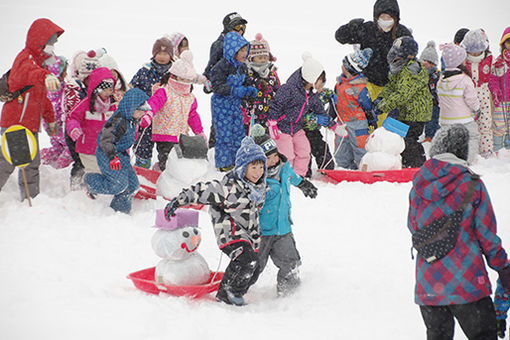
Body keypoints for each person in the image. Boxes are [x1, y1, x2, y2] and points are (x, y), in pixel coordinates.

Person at [408, 123, 510, 340]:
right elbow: (487, 236)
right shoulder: (471, 184)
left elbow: (413, 226)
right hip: (468, 284)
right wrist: (503, 268)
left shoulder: (418, 184)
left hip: (429, 287)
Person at [163, 136, 267, 306]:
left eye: (261, 167)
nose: (258, 172)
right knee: (246, 260)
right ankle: (227, 293)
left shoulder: (258, 190)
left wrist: (256, 240)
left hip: (248, 235)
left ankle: (238, 289)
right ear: (242, 168)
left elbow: (254, 217)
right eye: (253, 167)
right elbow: (201, 190)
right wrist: (178, 200)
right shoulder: (227, 187)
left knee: (254, 268)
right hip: (229, 232)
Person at [0, 18, 63, 200]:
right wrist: (45, 76)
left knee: (27, 163)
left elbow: (41, 97)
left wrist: (50, 119)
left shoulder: (39, 64)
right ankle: (30, 201)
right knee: (11, 162)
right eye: (51, 42)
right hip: (17, 123)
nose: (53, 46)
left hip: (28, 125)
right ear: (41, 41)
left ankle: (31, 201)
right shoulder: (25, 59)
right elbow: (27, 74)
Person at [251, 126, 317, 296]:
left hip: (283, 228)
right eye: (267, 158)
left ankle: (290, 295)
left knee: (291, 262)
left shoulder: (284, 167)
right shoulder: (256, 179)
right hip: (261, 232)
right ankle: (237, 290)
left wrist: (303, 185)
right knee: (254, 266)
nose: (273, 161)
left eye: (274, 156)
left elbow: (292, 177)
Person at [267, 52, 341, 177]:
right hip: (282, 128)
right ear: (312, 79)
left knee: (304, 151)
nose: (323, 84)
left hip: (297, 128)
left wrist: (333, 125)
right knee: (287, 154)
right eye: (321, 81)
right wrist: (272, 123)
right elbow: (275, 105)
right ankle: (285, 176)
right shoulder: (288, 89)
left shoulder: (312, 95)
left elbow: (320, 111)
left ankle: (299, 176)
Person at [84, 88, 155, 213]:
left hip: (121, 155)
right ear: (132, 108)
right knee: (117, 185)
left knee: (133, 186)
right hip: (107, 154)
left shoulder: (132, 119)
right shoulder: (119, 121)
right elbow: (105, 140)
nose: (142, 114)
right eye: (140, 111)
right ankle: (90, 182)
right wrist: (112, 157)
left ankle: (120, 211)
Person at [335, 0, 412, 106]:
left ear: (395, 18)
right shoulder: (368, 29)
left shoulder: (402, 33)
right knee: (366, 115)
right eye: (383, 17)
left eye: (389, 18)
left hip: (390, 86)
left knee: (383, 118)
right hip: (367, 82)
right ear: (376, 17)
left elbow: (411, 55)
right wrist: (350, 28)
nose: (386, 21)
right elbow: (340, 37)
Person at [372, 36, 432, 168]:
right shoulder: (400, 69)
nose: (394, 59)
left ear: (408, 56)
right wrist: (380, 99)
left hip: (416, 113)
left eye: (397, 57)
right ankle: (405, 161)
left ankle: (418, 165)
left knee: (409, 139)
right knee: (399, 137)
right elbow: (392, 87)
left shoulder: (411, 72)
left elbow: (401, 94)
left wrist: (382, 107)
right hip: (406, 111)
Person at [148, 50, 207, 171]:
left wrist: (199, 131)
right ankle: (161, 172)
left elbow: (193, 116)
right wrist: (148, 114)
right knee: (168, 163)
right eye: (183, 79)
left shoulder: (190, 98)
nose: (185, 83)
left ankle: (166, 175)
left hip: (181, 137)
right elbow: (154, 103)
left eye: (188, 80)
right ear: (173, 76)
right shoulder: (165, 91)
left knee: (179, 163)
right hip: (165, 135)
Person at [210, 31, 258, 171]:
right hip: (221, 105)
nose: (244, 53)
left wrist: (249, 90)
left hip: (235, 105)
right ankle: (224, 163)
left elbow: (247, 82)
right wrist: (233, 90)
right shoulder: (221, 67)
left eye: (245, 50)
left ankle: (238, 159)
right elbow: (216, 86)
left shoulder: (242, 67)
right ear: (232, 50)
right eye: (240, 50)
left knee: (238, 133)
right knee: (225, 134)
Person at [203, 12, 248, 148]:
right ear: (227, 28)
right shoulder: (220, 44)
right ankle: (214, 150)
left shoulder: (240, 43)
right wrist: (208, 80)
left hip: (237, 89)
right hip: (224, 88)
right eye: (236, 27)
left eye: (243, 27)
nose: (240, 31)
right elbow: (212, 65)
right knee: (220, 121)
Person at [129, 37, 173, 169]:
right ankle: (142, 169)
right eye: (159, 53)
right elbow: (132, 88)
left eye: (165, 54)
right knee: (143, 145)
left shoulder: (174, 73)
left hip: (166, 119)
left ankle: (163, 171)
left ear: (171, 56)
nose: (162, 57)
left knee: (166, 150)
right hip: (145, 116)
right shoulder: (145, 71)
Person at [63, 49, 104, 189]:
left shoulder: (97, 92)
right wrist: (74, 127)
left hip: (89, 132)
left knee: (91, 160)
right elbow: (72, 114)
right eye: (89, 78)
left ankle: (88, 183)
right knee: (79, 160)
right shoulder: (74, 90)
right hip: (74, 131)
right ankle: (75, 184)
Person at [66, 67, 116, 177]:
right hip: (87, 147)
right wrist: (74, 128)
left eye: (110, 89)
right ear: (96, 88)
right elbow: (72, 118)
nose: (108, 92)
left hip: (105, 149)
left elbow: (121, 122)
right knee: (93, 171)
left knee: (106, 172)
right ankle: (90, 190)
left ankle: (96, 189)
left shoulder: (113, 106)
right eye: (104, 89)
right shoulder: (86, 105)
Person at [437, 43, 481, 164]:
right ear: (461, 61)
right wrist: (477, 109)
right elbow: (471, 99)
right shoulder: (464, 79)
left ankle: (449, 159)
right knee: (472, 136)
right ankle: (468, 160)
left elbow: (440, 99)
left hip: (446, 119)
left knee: (449, 140)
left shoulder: (441, 80)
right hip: (463, 119)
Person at [333, 47, 374, 169]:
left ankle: (364, 168)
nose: (342, 66)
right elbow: (335, 102)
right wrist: (330, 115)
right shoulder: (339, 83)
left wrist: (372, 121)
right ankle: (344, 167)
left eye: (344, 64)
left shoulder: (360, 87)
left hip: (358, 124)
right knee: (341, 147)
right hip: (341, 122)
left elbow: (367, 106)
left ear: (350, 68)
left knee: (360, 147)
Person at [462, 29, 494, 157]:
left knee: (485, 124)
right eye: (472, 52)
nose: (475, 54)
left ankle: (486, 150)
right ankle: (470, 152)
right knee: (469, 125)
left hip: (483, 94)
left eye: (477, 52)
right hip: (468, 95)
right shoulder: (463, 61)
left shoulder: (489, 60)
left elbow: (494, 78)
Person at [40, 55, 73, 169]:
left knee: (56, 150)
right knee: (69, 151)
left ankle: (39, 160)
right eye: (64, 72)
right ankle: (59, 171)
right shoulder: (63, 90)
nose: (66, 74)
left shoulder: (45, 90)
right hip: (61, 131)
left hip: (51, 130)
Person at [242, 33, 280, 130]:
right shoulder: (247, 74)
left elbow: (277, 92)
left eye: (265, 57)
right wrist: (247, 111)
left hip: (268, 116)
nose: (263, 60)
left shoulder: (271, 74)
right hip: (251, 117)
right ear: (251, 58)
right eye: (260, 58)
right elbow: (243, 94)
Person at [489, 26, 510, 154]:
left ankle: (508, 149)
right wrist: (495, 92)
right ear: (503, 44)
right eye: (508, 42)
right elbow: (492, 79)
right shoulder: (499, 62)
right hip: (502, 100)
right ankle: (497, 148)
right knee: (499, 125)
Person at [419, 41, 441, 142]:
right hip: (421, 101)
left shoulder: (436, 75)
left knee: (432, 120)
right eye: (423, 60)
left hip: (433, 102)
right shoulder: (418, 73)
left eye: (428, 61)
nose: (425, 63)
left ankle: (430, 136)